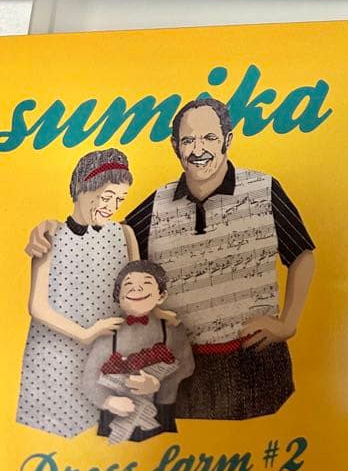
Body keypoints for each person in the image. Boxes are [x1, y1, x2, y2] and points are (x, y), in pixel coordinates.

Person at [26, 98, 316, 421]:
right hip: (181, 368)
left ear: (228, 139)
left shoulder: (264, 188)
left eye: (209, 138)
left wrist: (288, 322)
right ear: (175, 146)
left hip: (255, 365)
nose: (198, 149)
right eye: (188, 140)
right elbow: (105, 239)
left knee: (263, 446)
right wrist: (53, 228)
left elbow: (302, 254)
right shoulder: (155, 204)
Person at [16, 149, 139, 438]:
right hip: (54, 356)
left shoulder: (124, 234)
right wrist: (84, 333)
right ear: (83, 188)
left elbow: (138, 291)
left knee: (106, 438)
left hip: (105, 355)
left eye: (120, 200)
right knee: (52, 438)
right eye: (106, 197)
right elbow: (37, 306)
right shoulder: (51, 235)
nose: (112, 207)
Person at [83, 260, 194, 444]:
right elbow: (89, 377)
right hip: (116, 415)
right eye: (129, 284)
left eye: (146, 283)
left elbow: (186, 366)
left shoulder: (172, 328)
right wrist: (108, 401)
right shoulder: (109, 331)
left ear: (161, 295)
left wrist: (157, 383)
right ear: (119, 296)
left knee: (164, 450)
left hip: (160, 410)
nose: (137, 289)